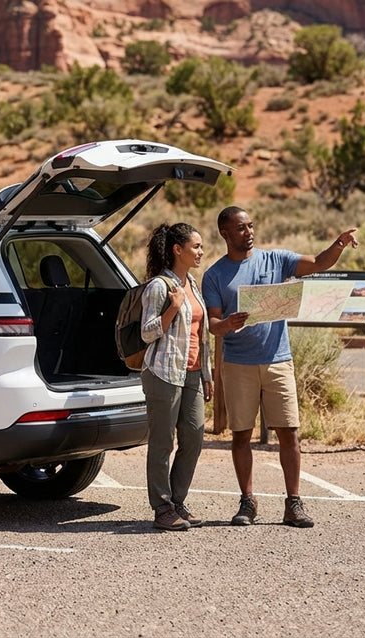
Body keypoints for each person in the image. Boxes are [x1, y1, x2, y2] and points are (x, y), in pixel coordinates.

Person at [202, 206, 358, 528]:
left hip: (278, 361)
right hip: (238, 365)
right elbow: (213, 324)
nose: (249, 232)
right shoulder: (214, 275)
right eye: (242, 228)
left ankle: (294, 504)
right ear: (225, 233)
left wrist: (339, 244)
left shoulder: (275, 260)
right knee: (241, 436)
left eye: (251, 226)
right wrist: (228, 324)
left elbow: (317, 263)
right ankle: (247, 502)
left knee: (290, 433)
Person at [139, 223, 213, 531]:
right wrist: (173, 308)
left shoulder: (192, 283)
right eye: (195, 246)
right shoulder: (159, 286)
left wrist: (207, 373)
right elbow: (146, 333)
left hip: (193, 373)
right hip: (163, 373)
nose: (200, 251)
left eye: (200, 246)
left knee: (194, 435)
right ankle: (162, 507)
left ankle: (178, 501)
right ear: (177, 250)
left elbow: (202, 333)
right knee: (162, 442)